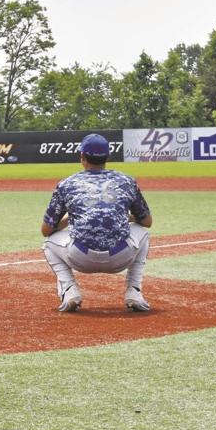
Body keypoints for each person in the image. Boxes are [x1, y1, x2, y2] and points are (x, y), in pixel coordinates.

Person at [40, 133, 154, 313]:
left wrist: (72, 216)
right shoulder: (127, 181)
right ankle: (134, 291)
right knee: (143, 233)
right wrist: (126, 217)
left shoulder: (67, 184)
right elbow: (147, 221)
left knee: (48, 243)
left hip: (80, 257)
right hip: (121, 257)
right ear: (108, 157)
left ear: (82, 157)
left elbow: (46, 230)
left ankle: (69, 290)